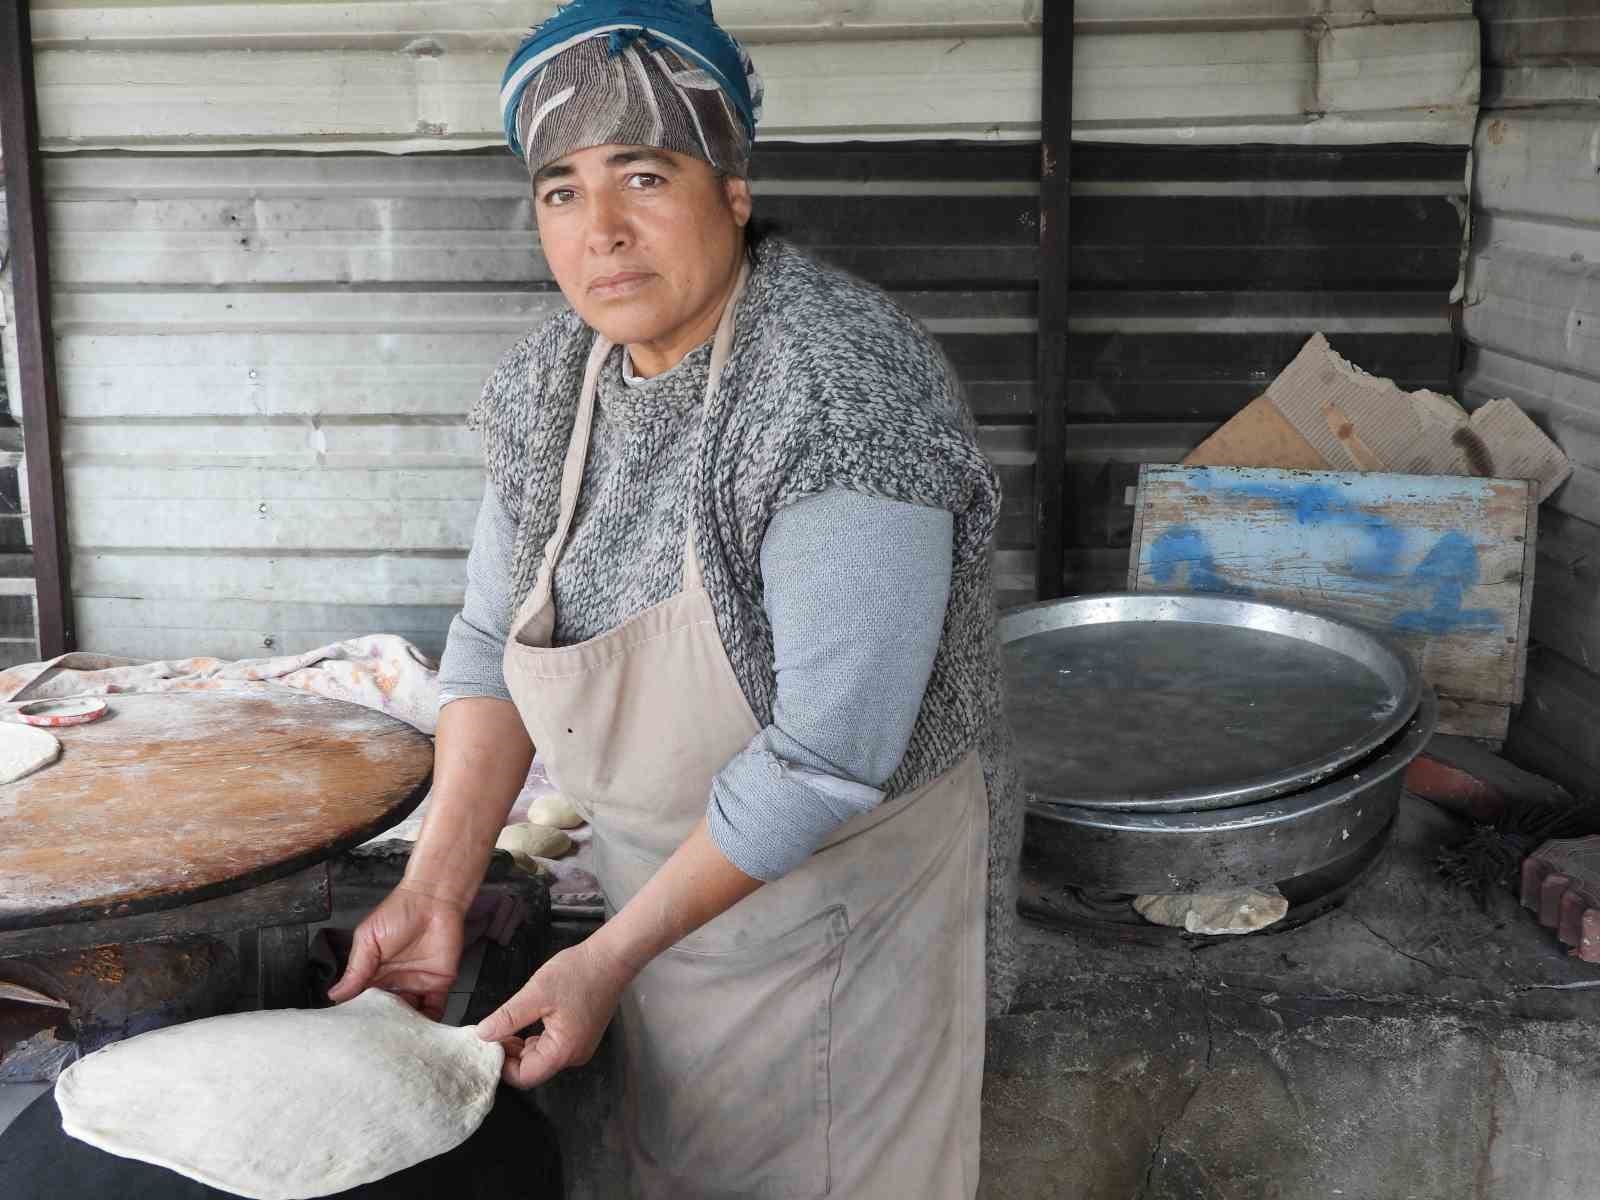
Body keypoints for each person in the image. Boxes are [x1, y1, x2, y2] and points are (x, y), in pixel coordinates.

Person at [329, 1, 1024, 1195]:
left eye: (643, 176)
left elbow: (827, 755)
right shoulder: (553, 380)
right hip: (661, 902)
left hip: (846, 910)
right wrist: (433, 891)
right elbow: (494, 643)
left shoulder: (836, 389)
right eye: (561, 190)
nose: (601, 231)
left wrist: (611, 954)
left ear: (733, 188)